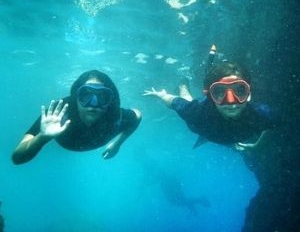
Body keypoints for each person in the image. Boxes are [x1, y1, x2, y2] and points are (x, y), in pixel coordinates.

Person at [144, 46, 276, 151]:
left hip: (209, 130)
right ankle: (183, 83)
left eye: (240, 90)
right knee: (187, 98)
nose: (231, 101)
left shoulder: (262, 113)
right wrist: (161, 95)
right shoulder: (196, 112)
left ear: (248, 92)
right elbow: (173, 101)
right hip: (198, 126)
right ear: (210, 95)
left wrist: (258, 144)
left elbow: (269, 126)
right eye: (219, 92)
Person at [12, 70, 142, 164]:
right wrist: (42, 137)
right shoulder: (58, 114)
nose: (94, 104)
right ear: (75, 98)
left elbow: (138, 115)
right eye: (85, 95)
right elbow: (17, 159)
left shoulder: (115, 115)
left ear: (110, 100)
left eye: (102, 96)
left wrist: (117, 144)